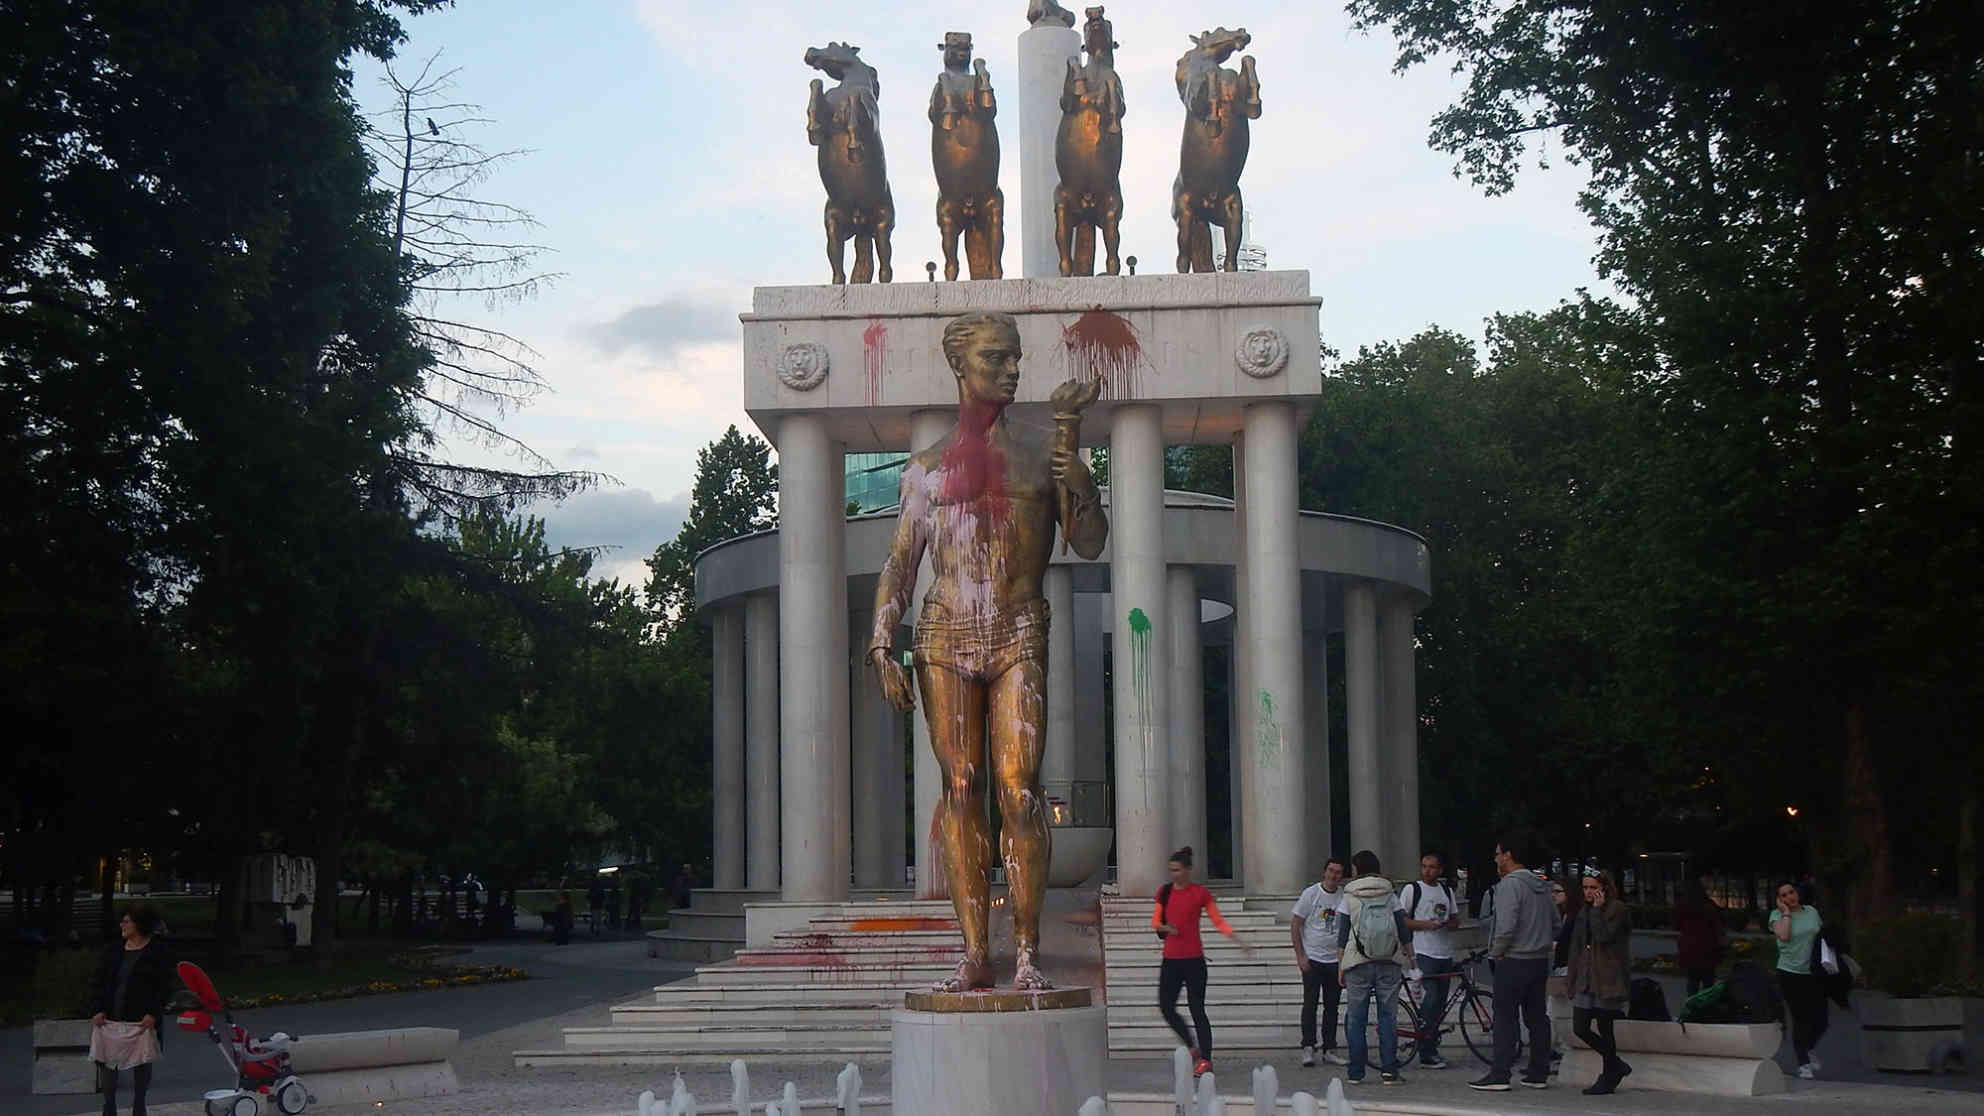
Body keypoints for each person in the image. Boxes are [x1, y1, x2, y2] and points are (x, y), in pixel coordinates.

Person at [867, 310, 1107, 992]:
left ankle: (1026, 950)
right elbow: (900, 562)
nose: (1011, 368)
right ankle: (976, 950)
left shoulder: (1041, 454)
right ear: (961, 366)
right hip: (944, 634)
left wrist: (1081, 483)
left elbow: (1088, 542)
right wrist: (882, 641)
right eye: (997, 358)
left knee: (1020, 790)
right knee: (962, 787)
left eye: (1015, 357)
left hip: (1018, 627)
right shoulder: (925, 468)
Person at [1153, 846, 1252, 1078]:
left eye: (1177, 870)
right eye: (1171, 870)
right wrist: (1166, 927)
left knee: (1197, 1009)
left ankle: (1206, 1059)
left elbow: (1218, 921)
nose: (1174, 874)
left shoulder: (1200, 893)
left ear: (1188, 869)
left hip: (1194, 961)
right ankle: (1191, 1045)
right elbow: (1156, 922)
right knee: (1166, 1006)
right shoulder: (1164, 892)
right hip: (1171, 960)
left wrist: (1238, 940)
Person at [1470, 835, 1556, 1092]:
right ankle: (1539, 1072)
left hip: (1514, 959)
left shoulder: (1509, 886)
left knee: (1505, 1017)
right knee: (1537, 1017)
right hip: (1539, 960)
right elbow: (1556, 923)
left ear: (1508, 855)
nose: (1495, 858)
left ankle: (1500, 1074)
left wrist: (1496, 952)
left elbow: (1505, 927)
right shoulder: (1542, 886)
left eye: (1497, 854)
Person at [1333, 849, 1414, 1086]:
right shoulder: (1390, 893)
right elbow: (1402, 926)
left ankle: (1356, 1072)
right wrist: (1411, 955)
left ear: (1357, 869)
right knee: (1387, 1017)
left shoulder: (1349, 895)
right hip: (1389, 961)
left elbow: (1342, 935)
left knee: (1356, 1018)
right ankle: (1389, 1070)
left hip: (1357, 962)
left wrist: (1340, 965)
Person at [89, 903, 173, 1116]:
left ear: (140, 924)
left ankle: (139, 1105)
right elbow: (99, 981)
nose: (122, 925)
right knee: (108, 1062)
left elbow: (164, 986)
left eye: (127, 921)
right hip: (112, 1016)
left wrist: (153, 1013)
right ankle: (109, 1107)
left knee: (142, 1061)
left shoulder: (157, 950)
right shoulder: (114, 950)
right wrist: (97, 1008)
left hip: (142, 1019)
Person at [1568, 870, 1633, 1095]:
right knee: (1580, 1027)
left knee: (1606, 1028)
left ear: (1604, 888)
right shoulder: (1583, 911)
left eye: (1593, 887)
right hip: (1586, 977)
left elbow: (1603, 937)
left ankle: (1608, 1075)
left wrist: (1596, 910)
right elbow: (1576, 946)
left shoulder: (1617, 909)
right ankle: (1616, 1065)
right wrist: (1571, 978)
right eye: (1585, 888)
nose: (1588, 892)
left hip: (1607, 978)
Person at [1401, 851, 1462, 1069]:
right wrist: (1426, 925)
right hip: (1423, 951)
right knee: (1431, 998)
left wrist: (1447, 924)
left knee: (1440, 1003)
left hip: (1444, 952)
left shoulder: (1446, 890)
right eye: (1424, 866)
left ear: (1440, 870)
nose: (1427, 871)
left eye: (1432, 867)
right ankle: (1426, 1049)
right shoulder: (1412, 889)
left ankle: (1431, 1044)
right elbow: (1402, 920)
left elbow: (1456, 919)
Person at [1289, 855, 1348, 1066]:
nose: (1334, 875)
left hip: (1335, 959)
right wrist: (1300, 955)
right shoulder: (1311, 893)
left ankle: (1329, 1048)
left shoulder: (1344, 896)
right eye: (1331, 871)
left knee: (1332, 1006)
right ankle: (1308, 1046)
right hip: (1313, 957)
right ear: (1325, 872)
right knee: (1310, 1004)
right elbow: (1296, 923)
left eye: (1338, 872)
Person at [1771, 880, 1828, 1079]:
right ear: (1779, 900)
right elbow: (1784, 935)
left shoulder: (1811, 911)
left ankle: (1809, 1048)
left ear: (1798, 892)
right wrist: (1785, 912)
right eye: (1784, 895)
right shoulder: (1776, 916)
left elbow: (1821, 936)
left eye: (1791, 892)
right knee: (1801, 1019)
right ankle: (1803, 1063)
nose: (1789, 897)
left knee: (1822, 1019)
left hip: (1813, 973)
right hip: (1789, 974)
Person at [1674, 876, 1725, 995]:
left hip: (1689, 947)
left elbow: (1676, 925)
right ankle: (1707, 1008)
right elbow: (1718, 925)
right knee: (1708, 982)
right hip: (1708, 947)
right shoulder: (1708, 905)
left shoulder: (1682, 905)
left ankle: (1692, 1008)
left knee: (1692, 980)